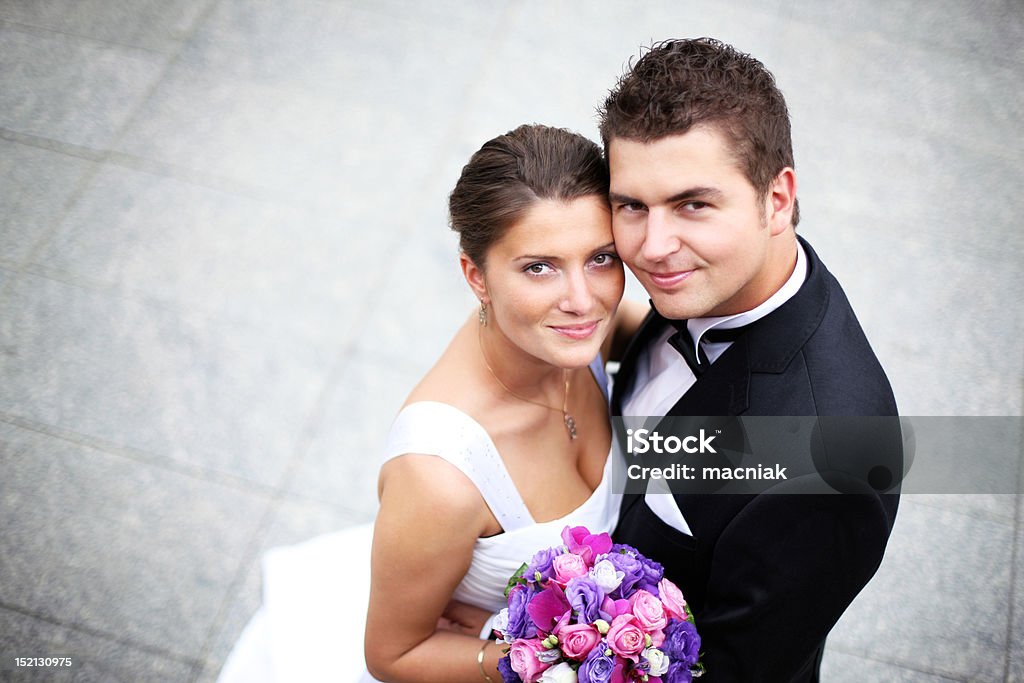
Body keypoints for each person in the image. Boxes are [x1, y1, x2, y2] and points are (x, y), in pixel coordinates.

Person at [216, 124, 645, 683]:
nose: (583, 300)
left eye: (600, 258)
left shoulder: (582, 332)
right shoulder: (439, 477)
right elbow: (394, 655)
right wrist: (572, 660)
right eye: (539, 267)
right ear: (477, 276)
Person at [600, 39, 901, 681]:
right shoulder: (708, 281)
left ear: (778, 198)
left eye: (693, 204)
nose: (652, 248)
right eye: (632, 205)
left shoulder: (828, 466)